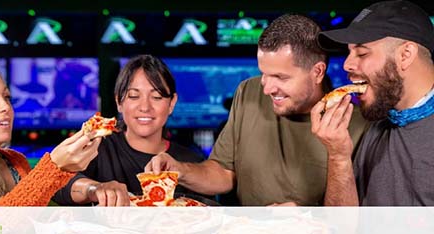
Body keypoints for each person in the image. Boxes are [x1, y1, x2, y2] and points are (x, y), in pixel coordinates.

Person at [144, 14, 368, 206]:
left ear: (317, 72)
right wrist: (179, 170)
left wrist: (306, 216)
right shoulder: (248, 91)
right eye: (264, 74)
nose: (267, 88)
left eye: (280, 77)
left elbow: (354, 221)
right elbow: (222, 174)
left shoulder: (356, 122)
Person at [312, 0, 434, 206]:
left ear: (405, 55)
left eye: (362, 53)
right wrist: (339, 158)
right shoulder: (378, 126)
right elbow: (344, 227)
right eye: (349, 53)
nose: (347, 65)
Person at [53, 54, 206, 206]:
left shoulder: (191, 163)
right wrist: (95, 189)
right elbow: (58, 186)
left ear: (171, 103)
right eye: (133, 96)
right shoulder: (97, 148)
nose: (145, 107)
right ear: (119, 101)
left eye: (157, 97)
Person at [0, 59, 101, 206]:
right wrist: (54, 168)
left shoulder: (15, 160)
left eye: (7, 97)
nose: (6, 106)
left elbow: (27, 216)